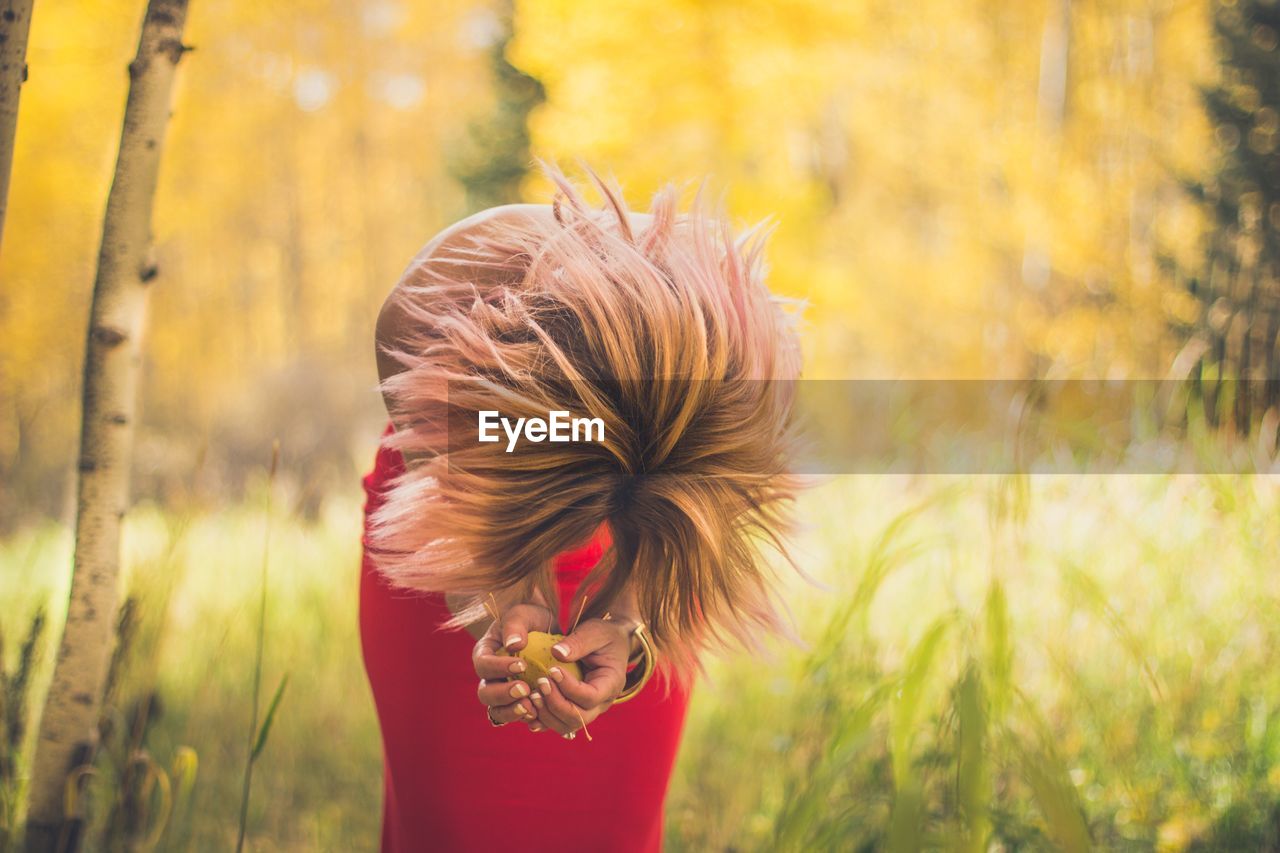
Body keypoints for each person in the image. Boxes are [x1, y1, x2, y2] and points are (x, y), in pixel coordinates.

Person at [359, 165, 803, 852]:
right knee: (449, 830)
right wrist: (503, 589)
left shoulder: (746, 361)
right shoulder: (451, 277)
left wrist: (628, 615)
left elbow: (704, 514)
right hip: (467, 506)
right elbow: (453, 468)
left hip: (643, 529)